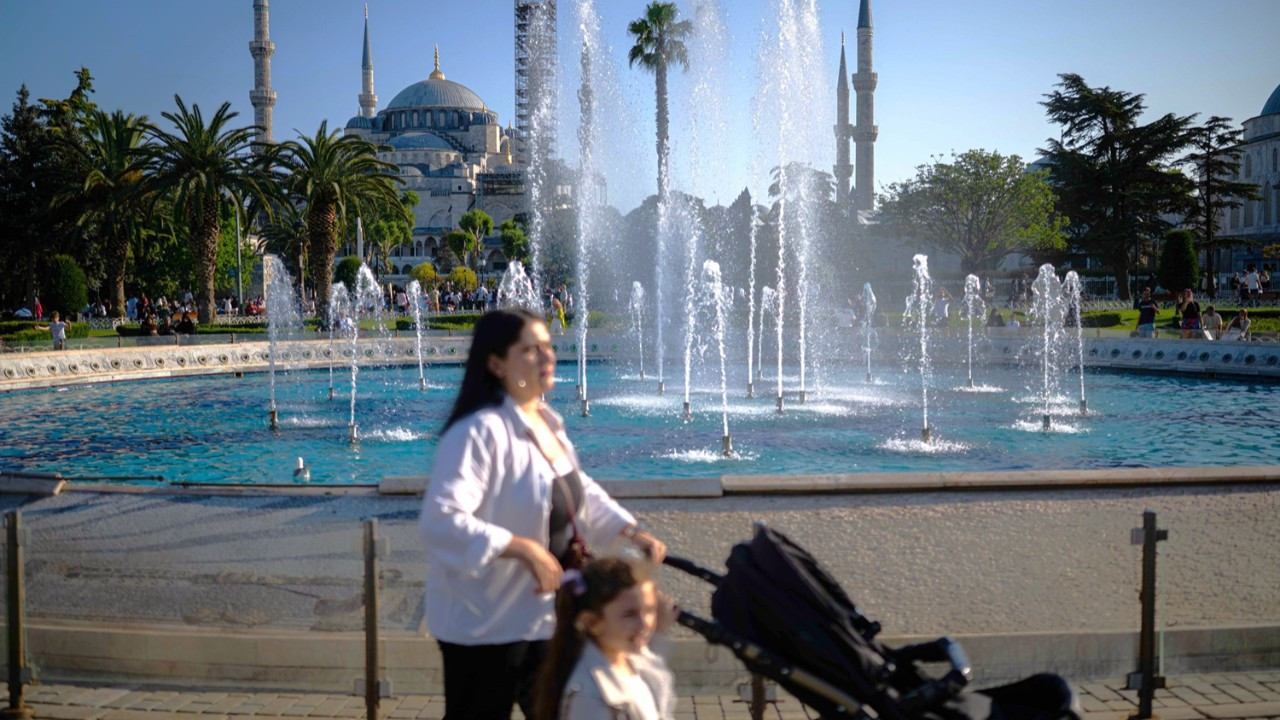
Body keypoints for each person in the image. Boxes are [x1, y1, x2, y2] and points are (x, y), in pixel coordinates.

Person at [418, 309, 666, 720]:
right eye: (530, 350)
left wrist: (629, 530)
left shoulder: (547, 421)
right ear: (496, 364)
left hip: (544, 620)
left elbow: (577, 488)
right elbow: (440, 521)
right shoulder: (478, 432)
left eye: (548, 346)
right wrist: (522, 549)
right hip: (484, 626)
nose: (547, 357)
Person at [533, 558, 677, 720]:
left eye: (650, 610)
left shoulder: (630, 660)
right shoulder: (590, 697)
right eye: (630, 614)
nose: (645, 623)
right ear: (592, 622)